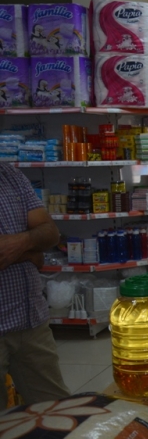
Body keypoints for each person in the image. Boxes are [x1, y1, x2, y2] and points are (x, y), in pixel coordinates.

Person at [0, 163, 70, 409]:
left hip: (31, 321)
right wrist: (30, 253)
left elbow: (50, 233)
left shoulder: (9, 175)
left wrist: (22, 242)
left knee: (57, 410)